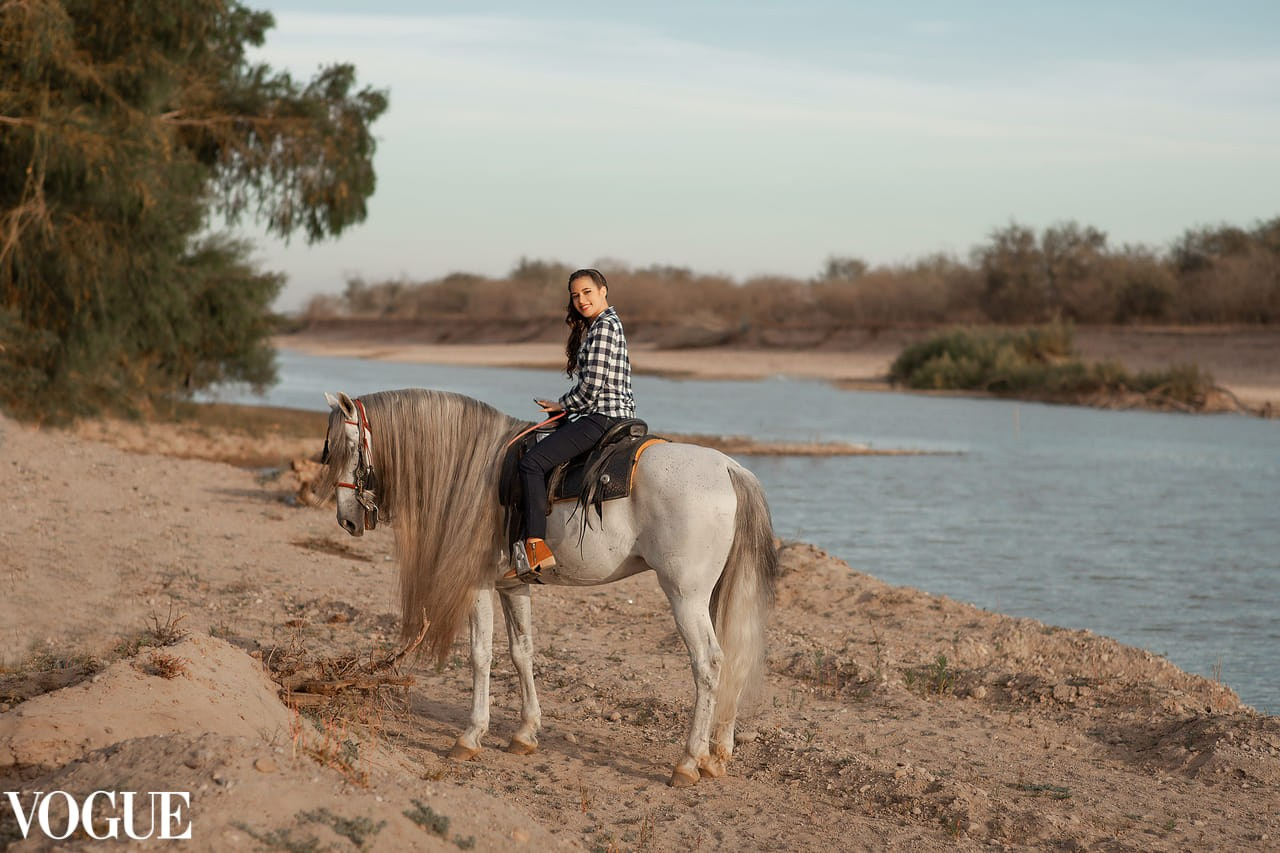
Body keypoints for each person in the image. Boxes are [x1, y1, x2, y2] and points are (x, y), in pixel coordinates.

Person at [512, 268, 635, 581]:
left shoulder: (604, 327)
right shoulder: (603, 325)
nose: (581, 300)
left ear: (603, 290)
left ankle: (535, 547)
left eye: (587, 292)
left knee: (531, 463)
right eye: (575, 295)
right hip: (606, 413)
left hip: (603, 417)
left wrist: (563, 404)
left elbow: (591, 388)